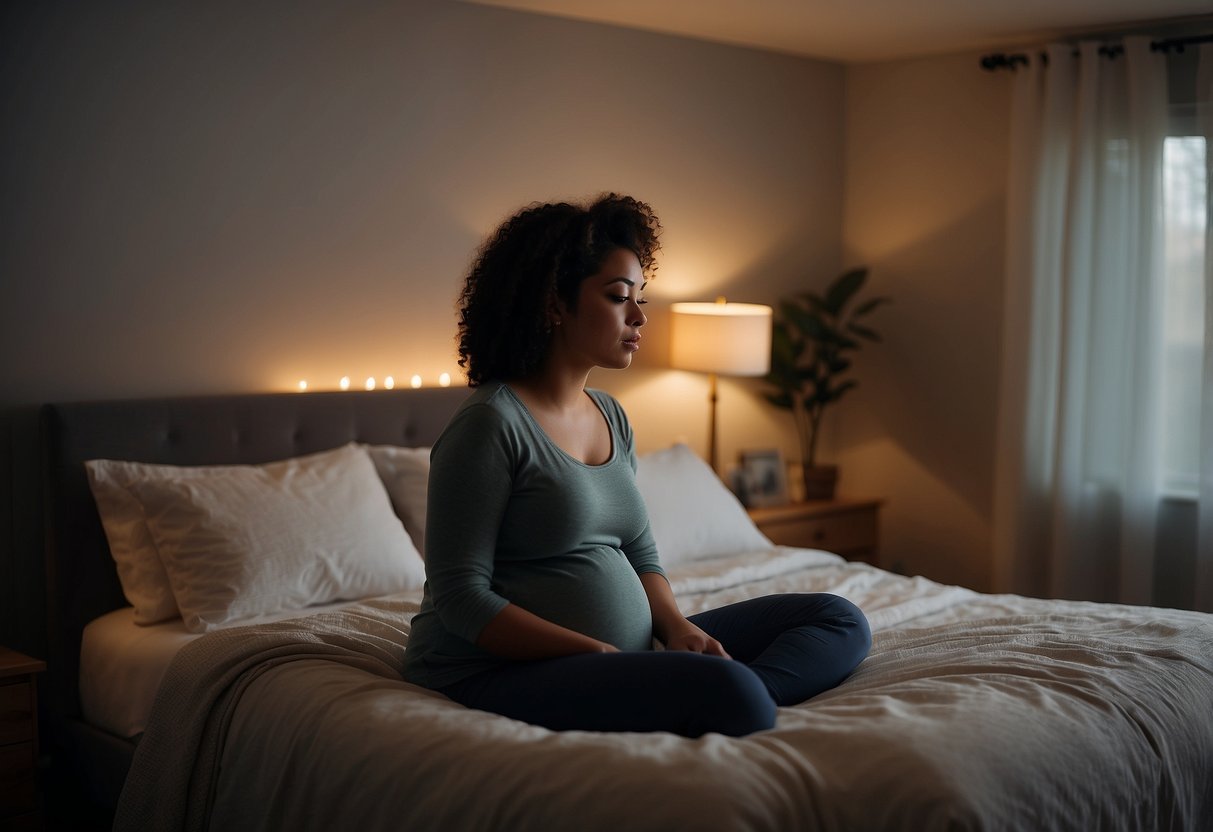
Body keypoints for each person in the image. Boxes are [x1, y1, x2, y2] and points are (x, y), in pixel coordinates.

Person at [402, 193, 871, 738]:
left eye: (638, 297)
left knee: (840, 619)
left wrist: (676, 629)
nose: (639, 316)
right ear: (554, 303)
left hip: (630, 651)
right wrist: (597, 654)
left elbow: (640, 550)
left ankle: (715, 695)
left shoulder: (611, 415)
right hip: (495, 671)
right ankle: (721, 696)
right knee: (733, 691)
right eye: (619, 296)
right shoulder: (490, 424)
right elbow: (461, 598)